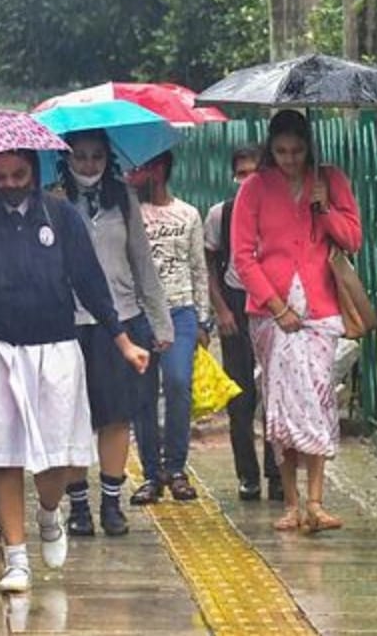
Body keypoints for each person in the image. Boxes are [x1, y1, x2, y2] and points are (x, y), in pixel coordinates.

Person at [0, 149, 150, 593]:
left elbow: (91, 284)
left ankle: (50, 512)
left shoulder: (60, 217)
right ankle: (17, 557)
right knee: (3, 456)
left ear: (33, 173)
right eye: (0, 176)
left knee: (56, 457)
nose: (10, 183)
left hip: (55, 347)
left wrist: (123, 341)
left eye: (18, 174)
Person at [230, 109, 362, 532]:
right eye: (282, 151)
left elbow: (353, 238)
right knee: (282, 403)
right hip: (272, 316)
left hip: (321, 310)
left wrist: (325, 210)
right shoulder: (254, 189)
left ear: (308, 147)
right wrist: (276, 307)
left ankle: (317, 500)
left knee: (318, 398)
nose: (290, 159)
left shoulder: (330, 181)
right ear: (271, 149)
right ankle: (290, 501)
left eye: (298, 150)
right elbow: (243, 257)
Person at [46, 130, 173, 537]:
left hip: (121, 320)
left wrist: (160, 321)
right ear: (66, 159)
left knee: (116, 416)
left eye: (96, 156)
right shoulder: (50, 201)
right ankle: (78, 506)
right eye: (79, 156)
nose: (88, 164)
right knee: (73, 418)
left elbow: (141, 262)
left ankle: (112, 503)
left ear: (108, 158)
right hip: (67, 322)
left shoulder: (123, 198)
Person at [128, 150, 211, 504]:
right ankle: (150, 473)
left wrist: (203, 318)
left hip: (180, 310)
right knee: (142, 394)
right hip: (139, 312)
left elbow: (198, 267)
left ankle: (176, 467)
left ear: (159, 169)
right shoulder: (128, 214)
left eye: (144, 166)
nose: (137, 173)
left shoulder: (189, 214)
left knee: (178, 383)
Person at [203, 147, 283, 502]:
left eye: (255, 173)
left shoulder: (279, 212)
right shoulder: (221, 214)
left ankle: (277, 472)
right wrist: (221, 309)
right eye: (241, 174)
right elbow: (209, 265)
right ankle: (247, 474)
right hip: (236, 304)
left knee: (276, 393)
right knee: (240, 396)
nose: (248, 180)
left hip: (273, 305)